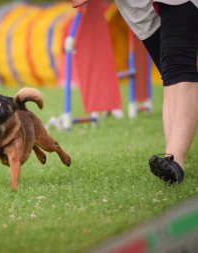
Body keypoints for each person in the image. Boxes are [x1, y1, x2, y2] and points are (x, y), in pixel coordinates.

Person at [72, 0, 198, 184]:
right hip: (138, 7)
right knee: (172, 76)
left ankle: (173, 161)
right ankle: (172, 160)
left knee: (177, 69)